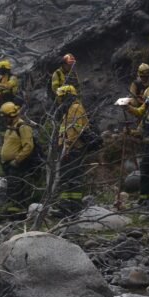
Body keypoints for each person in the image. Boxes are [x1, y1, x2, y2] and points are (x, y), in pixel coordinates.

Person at [55, 84, 88, 216]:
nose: (59, 100)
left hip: (73, 148)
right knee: (67, 177)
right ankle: (67, 206)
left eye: (61, 97)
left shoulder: (75, 108)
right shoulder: (70, 108)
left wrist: (67, 146)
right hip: (69, 147)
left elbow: (75, 130)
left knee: (71, 177)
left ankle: (72, 207)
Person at [0, 102, 35, 215]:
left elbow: (28, 146)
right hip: (8, 164)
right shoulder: (11, 127)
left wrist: (17, 160)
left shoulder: (23, 127)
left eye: (5, 117)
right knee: (11, 187)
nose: (4, 119)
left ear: (10, 115)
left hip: (17, 164)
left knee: (16, 187)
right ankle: (11, 209)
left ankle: (17, 212)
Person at [0, 60, 21, 134]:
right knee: (1, 120)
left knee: (10, 120)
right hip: (2, 102)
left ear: (4, 69)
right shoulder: (1, 78)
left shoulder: (13, 77)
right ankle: (3, 140)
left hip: (11, 101)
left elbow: (9, 86)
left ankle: (12, 137)